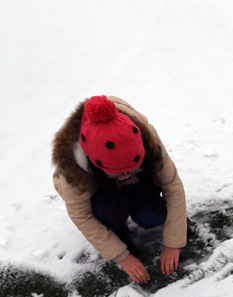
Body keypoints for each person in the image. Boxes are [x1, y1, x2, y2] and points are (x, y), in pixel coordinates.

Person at [52, 95, 187, 284]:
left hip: (138, 185)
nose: (125, 175)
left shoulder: (147, 138)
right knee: (109, 215)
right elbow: (81, 216)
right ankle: (118, 231)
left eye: (131, 169)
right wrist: (121, 255)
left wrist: (174, 241)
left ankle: (151, 210)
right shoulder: (73, 168)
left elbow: (173, 186)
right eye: (118, 172)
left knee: (151, 216)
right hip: (101, 192)